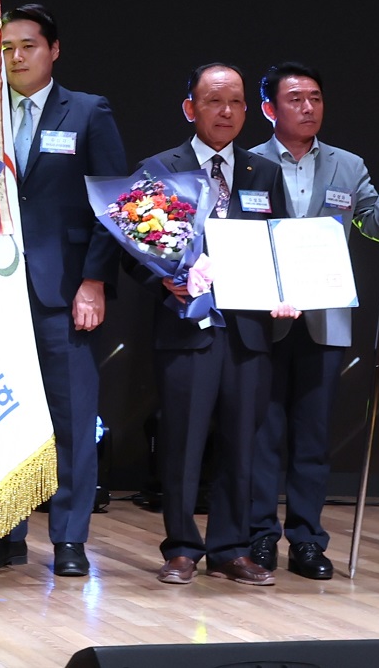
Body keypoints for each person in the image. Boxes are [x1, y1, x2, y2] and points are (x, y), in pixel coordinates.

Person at [0, 5, 128, 578]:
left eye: (27, 46)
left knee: (73, 417)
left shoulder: (87, 111)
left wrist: (94, 280)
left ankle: (69, 538)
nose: (16, 57)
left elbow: (113, 203)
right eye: (5, 48)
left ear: (53, 50)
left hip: (64, 289)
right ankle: (2, 533)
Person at [137, 63, 295, 587]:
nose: (225, 112)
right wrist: (163, 279)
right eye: (213, 101)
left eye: (235, 102)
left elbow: (279, 243)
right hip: (186, 327)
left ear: (247, 111)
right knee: (182, 441)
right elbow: (131, 248)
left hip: (248, 331)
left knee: (242, 442)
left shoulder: (261, 171)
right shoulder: (161, 167)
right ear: (191, 108)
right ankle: (182, 547)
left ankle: (231, 548)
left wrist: (286, 290)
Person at [245, 61, 379, 581]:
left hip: (325, 319)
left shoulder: (347, 165)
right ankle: (260, 536)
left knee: (313, 437)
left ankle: (307, 540)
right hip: (264, 317)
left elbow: (376, 227)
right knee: (263, 434)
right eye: (295, 99)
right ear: (269, 109)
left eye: (315, 98)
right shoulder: (247, 162)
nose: (308, 108)